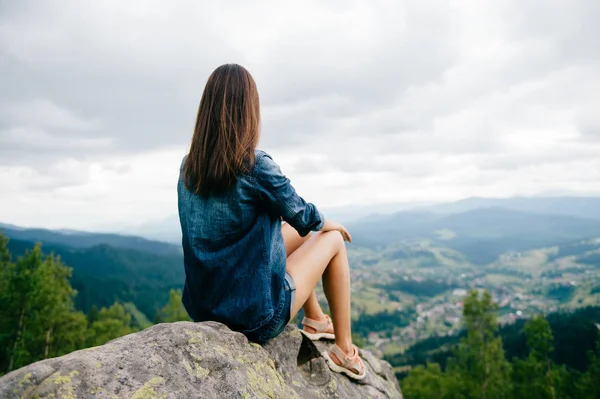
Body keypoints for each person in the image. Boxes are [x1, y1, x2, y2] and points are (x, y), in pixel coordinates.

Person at [177, 63, 365, 380]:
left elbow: (295, 224)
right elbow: (303, 215)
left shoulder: (188, 167)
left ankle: (317, 320)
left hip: (204, 309)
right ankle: (344, 351)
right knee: (330, 240)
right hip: (254, 318)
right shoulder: (254, 165)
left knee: (296, 234)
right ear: (249, 110)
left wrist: (312, 223)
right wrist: (328, 222)